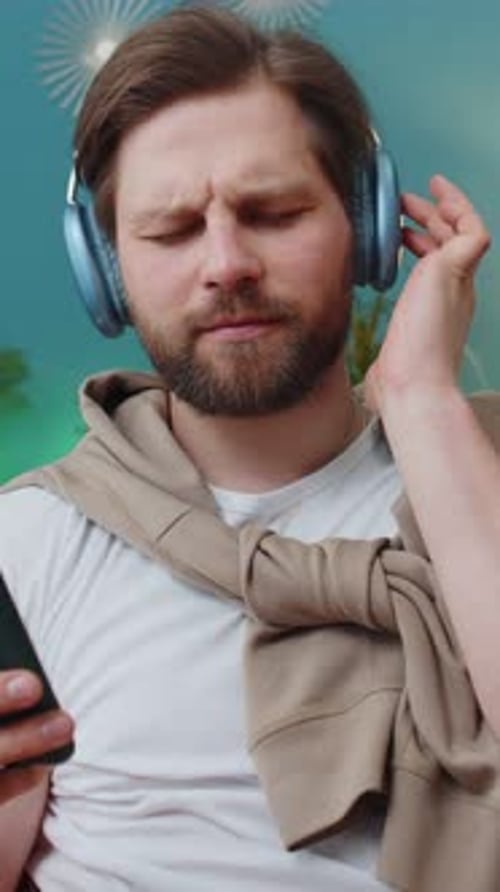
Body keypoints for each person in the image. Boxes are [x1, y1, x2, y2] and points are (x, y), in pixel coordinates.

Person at [0, 6, 497, 891]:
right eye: (173, 230)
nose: (225, 262)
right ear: (104, 269)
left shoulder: (479, 469)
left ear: (369, 228)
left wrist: (422, 400)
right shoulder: (25, 544)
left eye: (271, 212)